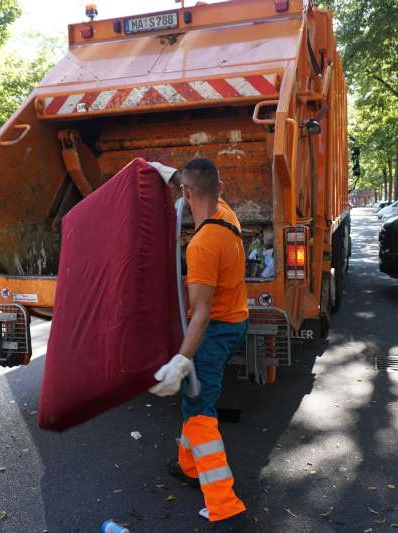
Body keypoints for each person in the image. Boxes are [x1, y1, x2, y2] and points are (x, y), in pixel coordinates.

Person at [150, 158, 249, 528]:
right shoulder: (227, 215)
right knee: (193, 401)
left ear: (186, 194)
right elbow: (198, 182)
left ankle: (224, 503)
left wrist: (180, 360)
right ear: (219, 190)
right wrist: (171, 173)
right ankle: (189, 467)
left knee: (201, 413)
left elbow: (201, 314)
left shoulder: (202, 246)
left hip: (216, 329)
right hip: (236, 318)